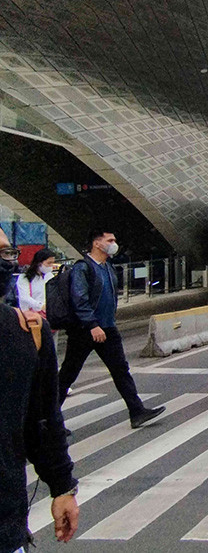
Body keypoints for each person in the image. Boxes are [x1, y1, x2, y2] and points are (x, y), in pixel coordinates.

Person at [0, 228, 79, 553]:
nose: (4, 262)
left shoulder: (28, 333)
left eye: (6, 253)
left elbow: (43, 421)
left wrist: (62, 487)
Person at [57, 230, 164, 428]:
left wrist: (106, 324)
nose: (114, 244)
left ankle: (137, 411)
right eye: (110, 240)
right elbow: (79, 299)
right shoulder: (83, 268)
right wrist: (92, 325)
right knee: (68, 374)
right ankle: (48, 420)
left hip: (107, 328)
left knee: (121, 370)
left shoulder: (108, 267)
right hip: (85, 330)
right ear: (97, 243)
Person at [16, 248, 56, 316]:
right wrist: (41, 306)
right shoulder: (24, 278)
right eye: (49, 263)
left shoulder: (50, 276)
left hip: (48, 314)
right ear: (39, 263)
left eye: (52, 263)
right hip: (29, 315)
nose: (51, 266)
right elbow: (24, 297)